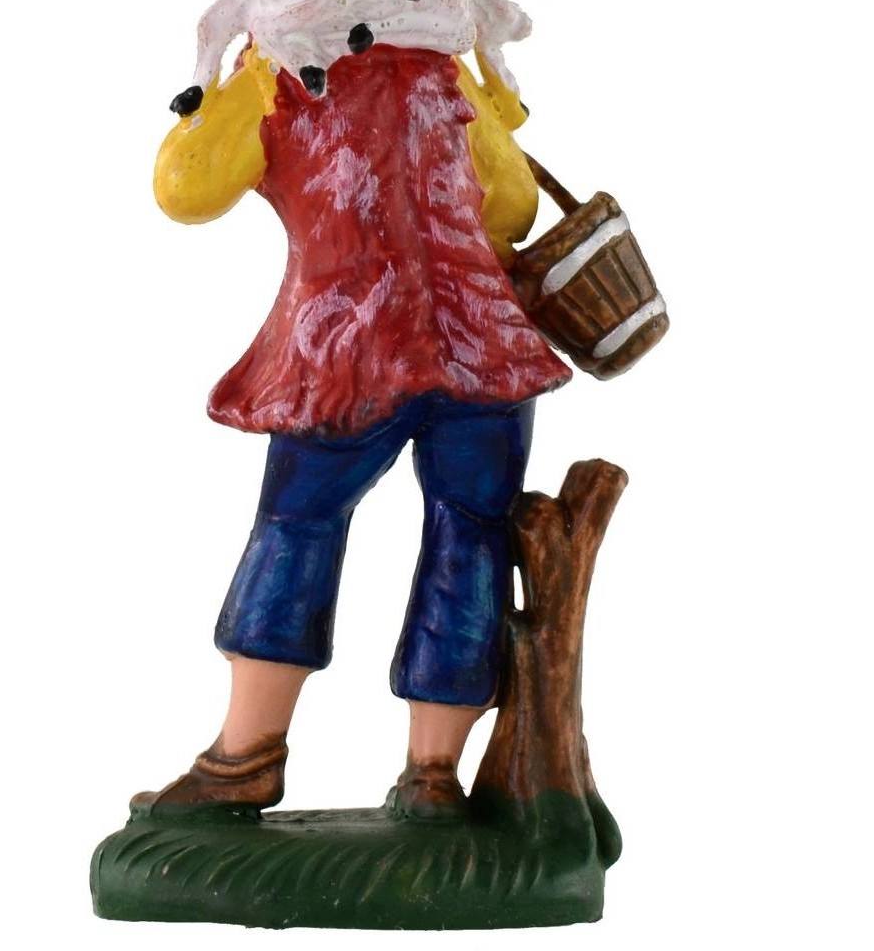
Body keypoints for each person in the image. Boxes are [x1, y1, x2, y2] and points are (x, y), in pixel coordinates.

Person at [132, 41, 570, 819]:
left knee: (296, 527)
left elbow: (186, 189)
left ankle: (247, 756)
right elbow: (511, 204)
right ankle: (433, 774)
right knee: (468, 539)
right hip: (480, 346)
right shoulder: (442, 67)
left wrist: (230, 89)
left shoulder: (280, 74)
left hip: (350, 351)